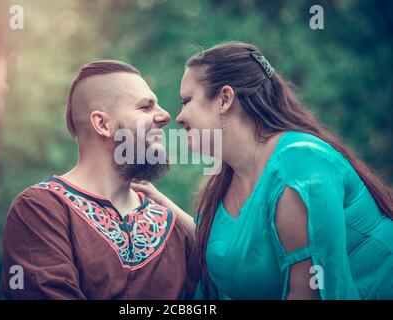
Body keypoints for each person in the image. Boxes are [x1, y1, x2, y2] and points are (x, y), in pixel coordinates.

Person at [131, 41, 393, 300]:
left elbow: (310, 292)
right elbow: (228, 248)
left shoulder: (300, 165)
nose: (178, 117)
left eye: (186, 100)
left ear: (224, 99)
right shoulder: (226, 180)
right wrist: (163, 205)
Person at [1, 60, 195, 299]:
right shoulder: (40, 209)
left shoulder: (173, 225)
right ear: (102, 124)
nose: (165, 116)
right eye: (146, 107)